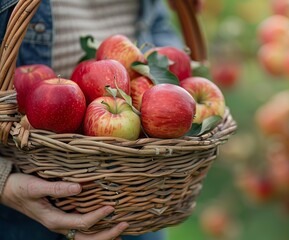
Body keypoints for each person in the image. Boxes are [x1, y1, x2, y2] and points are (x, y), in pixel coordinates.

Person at [0, 0, 204, 239]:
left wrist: (174, 82)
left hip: (139, 183)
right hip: (24, 193)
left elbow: (157, 21)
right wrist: (3, 181)